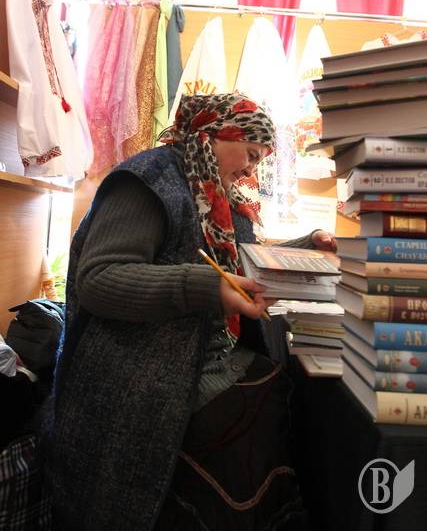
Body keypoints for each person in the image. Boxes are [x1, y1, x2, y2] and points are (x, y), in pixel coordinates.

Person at [45, 92, 334, 530]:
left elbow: (240, 263)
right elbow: (100, 280)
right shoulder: (149, 181)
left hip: (191, 354)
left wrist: (307, 247)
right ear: (215, 134)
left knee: (280, 395)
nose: (252, 170)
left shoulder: (216, 196)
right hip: (135, 367)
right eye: (250, 154)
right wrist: (208, 288)